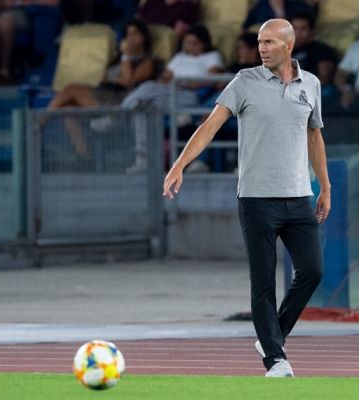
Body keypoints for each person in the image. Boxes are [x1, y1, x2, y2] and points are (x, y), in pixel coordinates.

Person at [162, 19, 331, 377]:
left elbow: (314, 137)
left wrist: (325, 187)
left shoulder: (311, 84)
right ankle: (275, 359)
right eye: (259, 42)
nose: (262, 48)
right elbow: (210, 125)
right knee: (263, 282)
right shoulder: (244, 82)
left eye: (270, 42)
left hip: (299, 195)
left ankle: (273, 335)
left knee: (313, 272)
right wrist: (179, 164)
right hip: (256, 199)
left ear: (289, 45)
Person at [45, 19, 155, 157]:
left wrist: (127, 57)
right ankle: (83, 155)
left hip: (120, 101)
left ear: (144, 37)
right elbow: (103, 78)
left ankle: (40, 122)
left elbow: (128, 81)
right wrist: (118, 73)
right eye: (128, 35)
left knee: (72, 89)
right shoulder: (118, 59)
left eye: (135, 34)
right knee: (69, 112)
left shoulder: (146, 61)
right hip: (103, 93)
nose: (131, 38)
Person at [122, 23, 224, 172]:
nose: (190, 47)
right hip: (170, 92)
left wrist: (186, 83)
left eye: (194, 43)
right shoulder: (179, 57)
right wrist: (169, 80)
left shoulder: (211, 57)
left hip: (190, 95)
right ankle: (142, 160)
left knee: (147, 87)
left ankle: (118, 114)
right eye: (187, 43)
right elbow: (166, 76)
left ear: (204, 44)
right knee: (143, 109)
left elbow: (213, 79)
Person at [0, 0, 59, 84]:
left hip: (25, 12)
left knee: (5, 21)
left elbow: (54, 2)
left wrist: (17, 3)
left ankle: (4, 71)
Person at [289, 11, 337, 86]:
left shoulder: (322, 49)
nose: (297, 34)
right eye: (294, 28)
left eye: (303, 29)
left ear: (311, 31)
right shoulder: (281, 49)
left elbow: (325, 78)